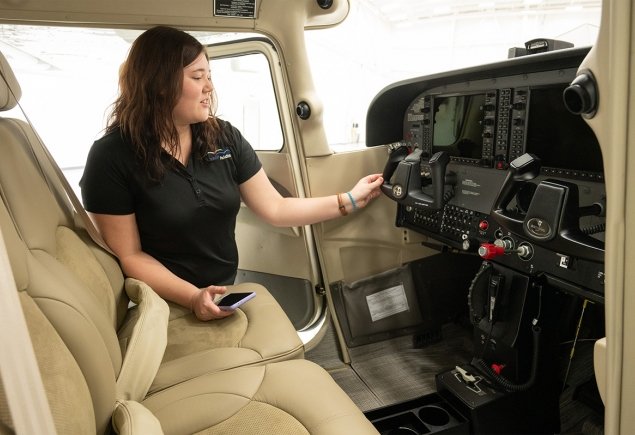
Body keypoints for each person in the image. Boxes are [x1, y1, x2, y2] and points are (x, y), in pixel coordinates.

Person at [80, 25, 383, 322]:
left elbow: (276, 208)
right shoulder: (111, 156)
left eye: (209, 76)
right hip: (161, 304)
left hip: (223, 292)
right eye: (197, 77)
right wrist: (192, 297)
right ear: (160, 84)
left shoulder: (223, 137)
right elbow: (130, 256)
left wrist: (349, 200)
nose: (209, 87)